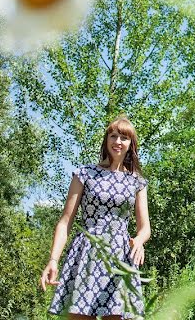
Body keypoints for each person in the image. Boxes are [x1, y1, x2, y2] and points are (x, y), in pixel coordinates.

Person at [40, 114, 151, 319]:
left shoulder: (137, 182)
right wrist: (53, 260)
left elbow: (145, 228)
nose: (118, 142)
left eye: (124, 138)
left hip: (120, 254)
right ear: (106, 140)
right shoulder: (84, 174)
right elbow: (65, 222)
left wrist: (139, 242)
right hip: (87, 252)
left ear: (131, 144)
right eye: (113, 136)